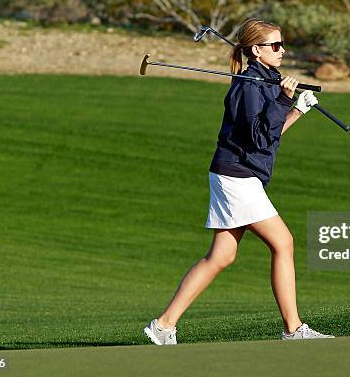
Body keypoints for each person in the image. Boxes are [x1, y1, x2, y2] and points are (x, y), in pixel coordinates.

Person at [143, 18, 334, 345]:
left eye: (282, 44)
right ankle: (293, 328)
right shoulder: (248, 85)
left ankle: (163, 326)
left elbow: (266, 137)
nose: (282, 50)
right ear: (257, 50)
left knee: (221, 257)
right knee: (283, 243)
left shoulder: (264, 81)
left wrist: (296, 110)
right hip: (237, 176)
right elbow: (260, 136)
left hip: (236, 173)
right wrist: (285, 100)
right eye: (275, 45)